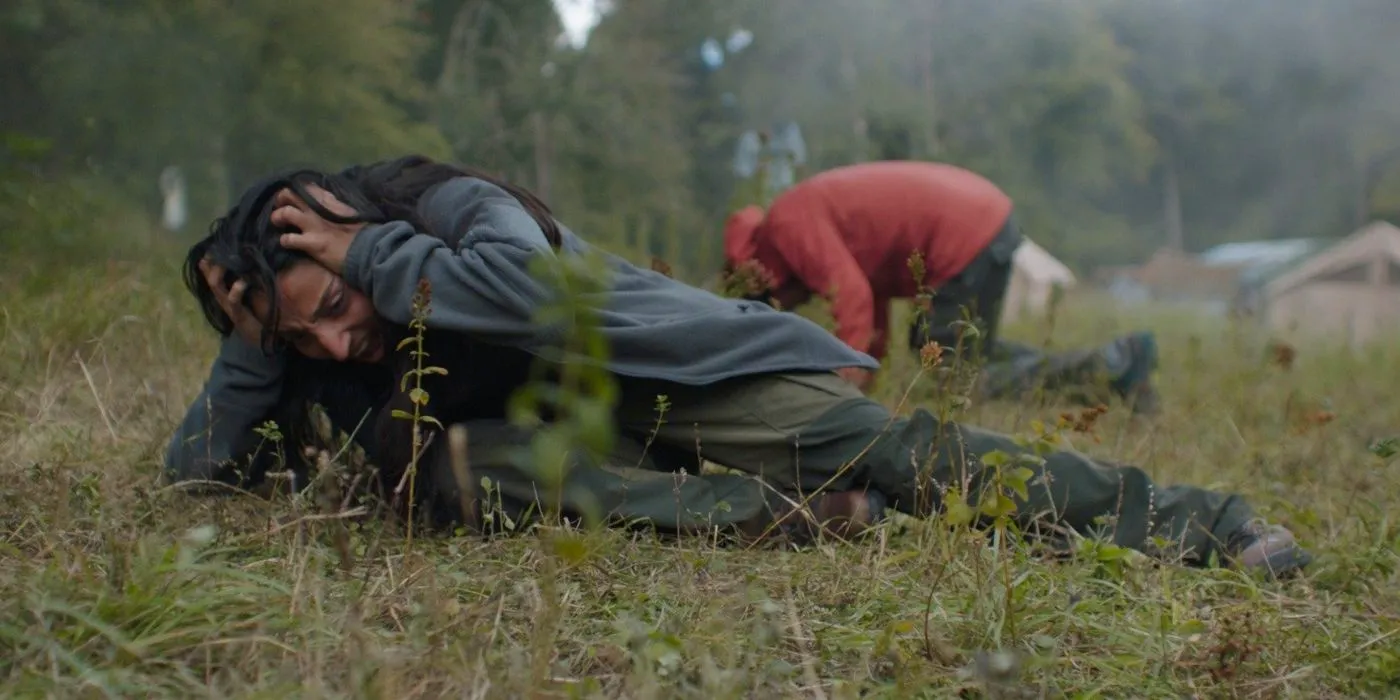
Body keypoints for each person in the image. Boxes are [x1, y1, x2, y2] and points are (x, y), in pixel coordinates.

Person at [165, 155, 1310, 578]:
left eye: (326, 307)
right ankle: (772, 516)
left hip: (681, 377)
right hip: (597, 458)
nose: (335, 342)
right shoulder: (305, 349)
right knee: (439, 465)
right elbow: (200, 485)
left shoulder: (445, 211)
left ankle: (1205, 524)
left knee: (907, 457)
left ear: (342, 228)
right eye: (297, 336)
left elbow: (528, 293)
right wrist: (252, 351)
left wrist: (375, 252)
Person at [722, 160, 1161, 413]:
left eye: (779, 304)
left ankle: (1113, 364)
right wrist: (865, 374)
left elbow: (850, 298)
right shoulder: (798, 225)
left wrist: (840, 392)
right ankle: (1115, 371)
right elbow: (870, 312)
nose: (797, 305)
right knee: (958, 351)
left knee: (954, 375)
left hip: (965, 232)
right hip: (982, 217)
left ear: (765, 284)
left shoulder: (787, 226)